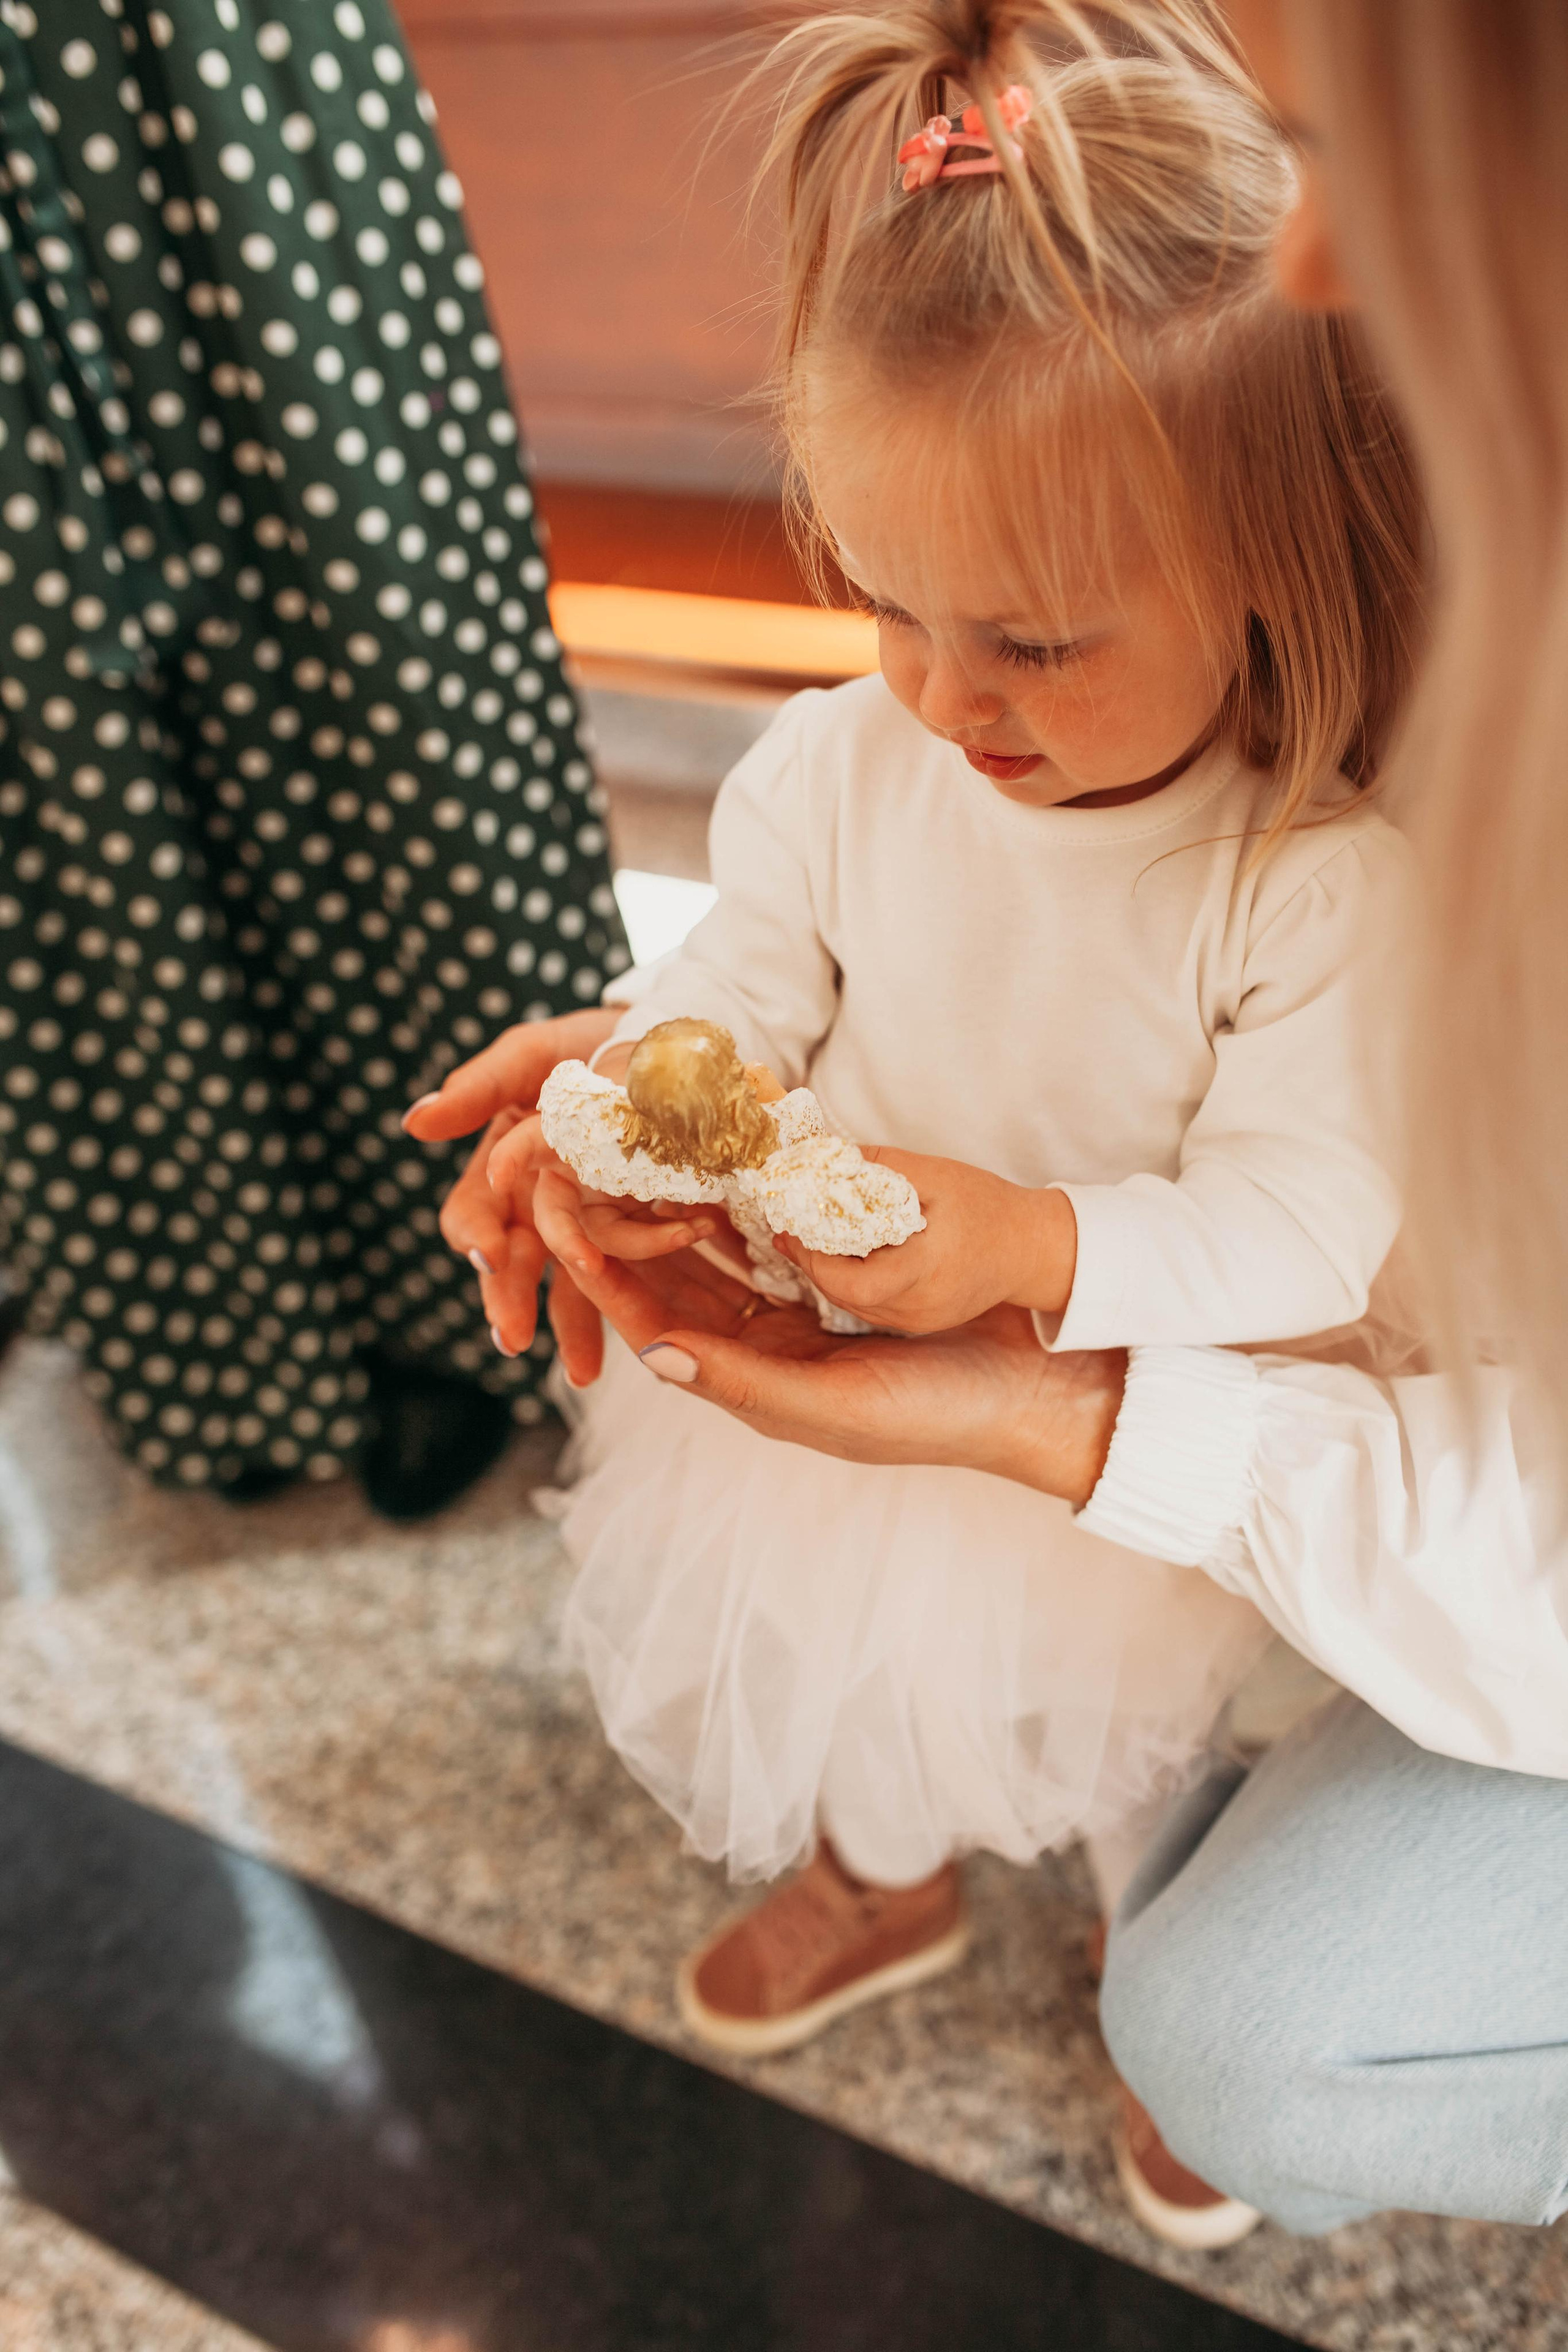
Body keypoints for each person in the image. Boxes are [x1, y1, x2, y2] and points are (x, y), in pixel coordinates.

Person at [414, 0, 1568, 2253]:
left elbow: (1306, 1219)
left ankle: (1157, 1957)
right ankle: (882, 1877)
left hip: (1108, 1408)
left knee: (1134, 1752)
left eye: (1035, 639)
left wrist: (1040, 1254)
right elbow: (737, 989)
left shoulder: (1308, 881)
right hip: (844, 1383)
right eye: (886, 604)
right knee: (851, 1694)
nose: (949, 699)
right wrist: (635, 1087)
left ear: (1274, 559)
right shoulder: (849, 769)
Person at [0, 0, 626, 1513]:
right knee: (57, 762)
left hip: (191, 65)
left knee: (383, 659)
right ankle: (221, 1332)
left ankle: (480, 1304)